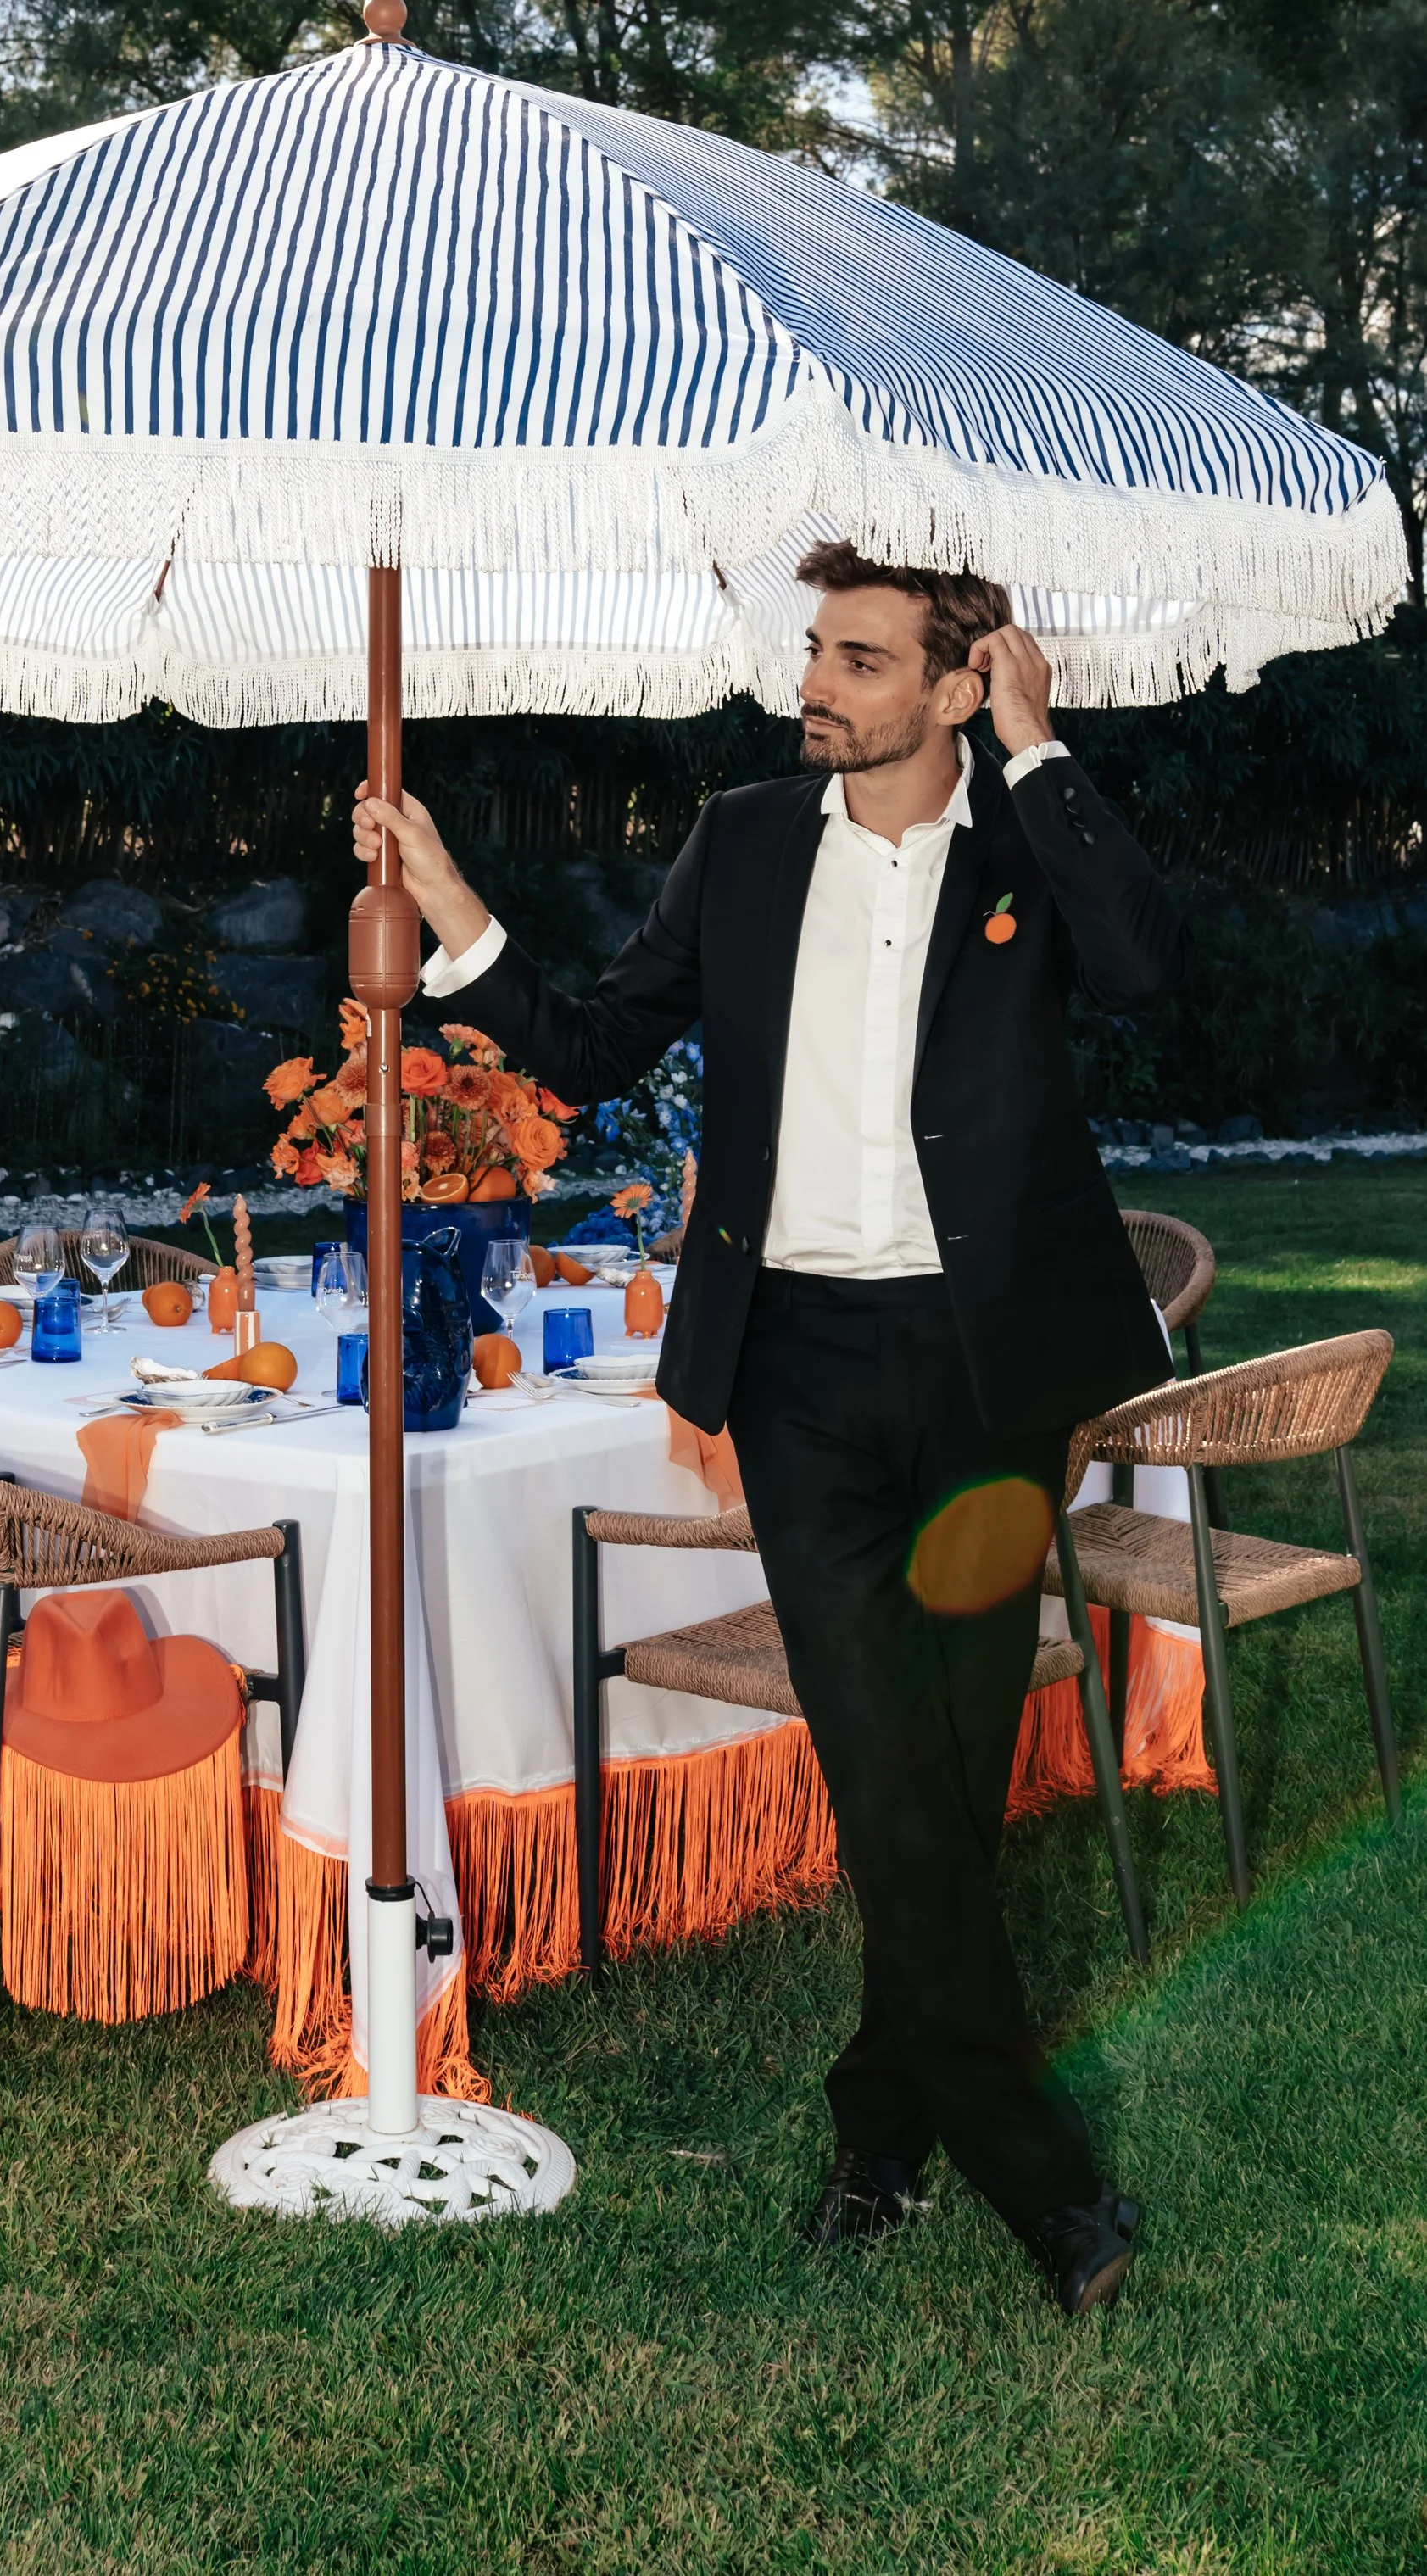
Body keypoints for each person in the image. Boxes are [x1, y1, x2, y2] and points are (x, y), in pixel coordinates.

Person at [352, 539, 1186, 2317]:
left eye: (862, 659)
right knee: (885, 1768)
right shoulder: (741, 839)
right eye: (817, 649)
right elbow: (588, 1046)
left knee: (946, 1782)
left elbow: (1139, 966)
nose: (814, 683)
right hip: (797, 1372)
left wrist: (1041, 751)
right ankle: (1050, 2192)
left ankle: (878, 2141)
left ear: (957, 686)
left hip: (986, 1379)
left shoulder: (1027, 839)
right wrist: (451, 905)